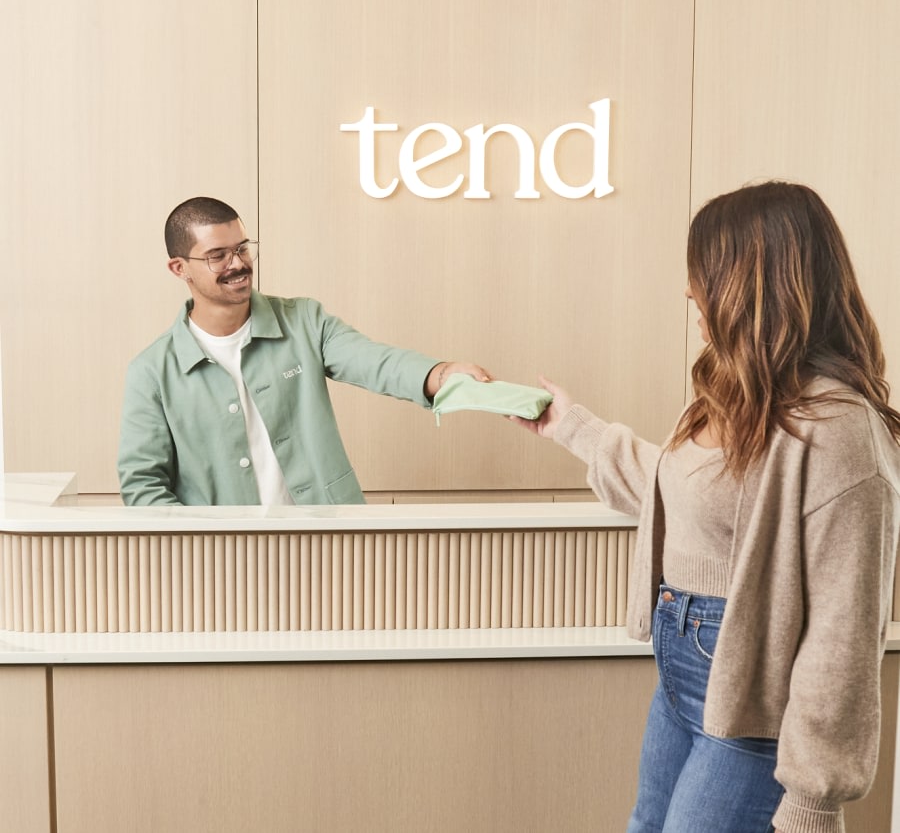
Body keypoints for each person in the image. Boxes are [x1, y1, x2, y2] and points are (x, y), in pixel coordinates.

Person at [513, 181, 900, 833]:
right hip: (681, 673)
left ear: (754, 284)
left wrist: (812, 802)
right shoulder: (734, 393)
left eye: (704, 275)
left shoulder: (841, 433)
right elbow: (677, 494)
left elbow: (844, 638)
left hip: (752, 703)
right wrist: (570, 427)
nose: (690, 293)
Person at [118, 196, 490, 506]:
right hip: (227, 559)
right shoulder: (151, 371)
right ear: (179, 268)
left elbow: (376, 362)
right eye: (218, 255)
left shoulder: (304, 322)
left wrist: (442, 374)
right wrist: (205, 549)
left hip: (329, 543)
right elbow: (143, 486)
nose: (239, 264)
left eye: (242, 248)